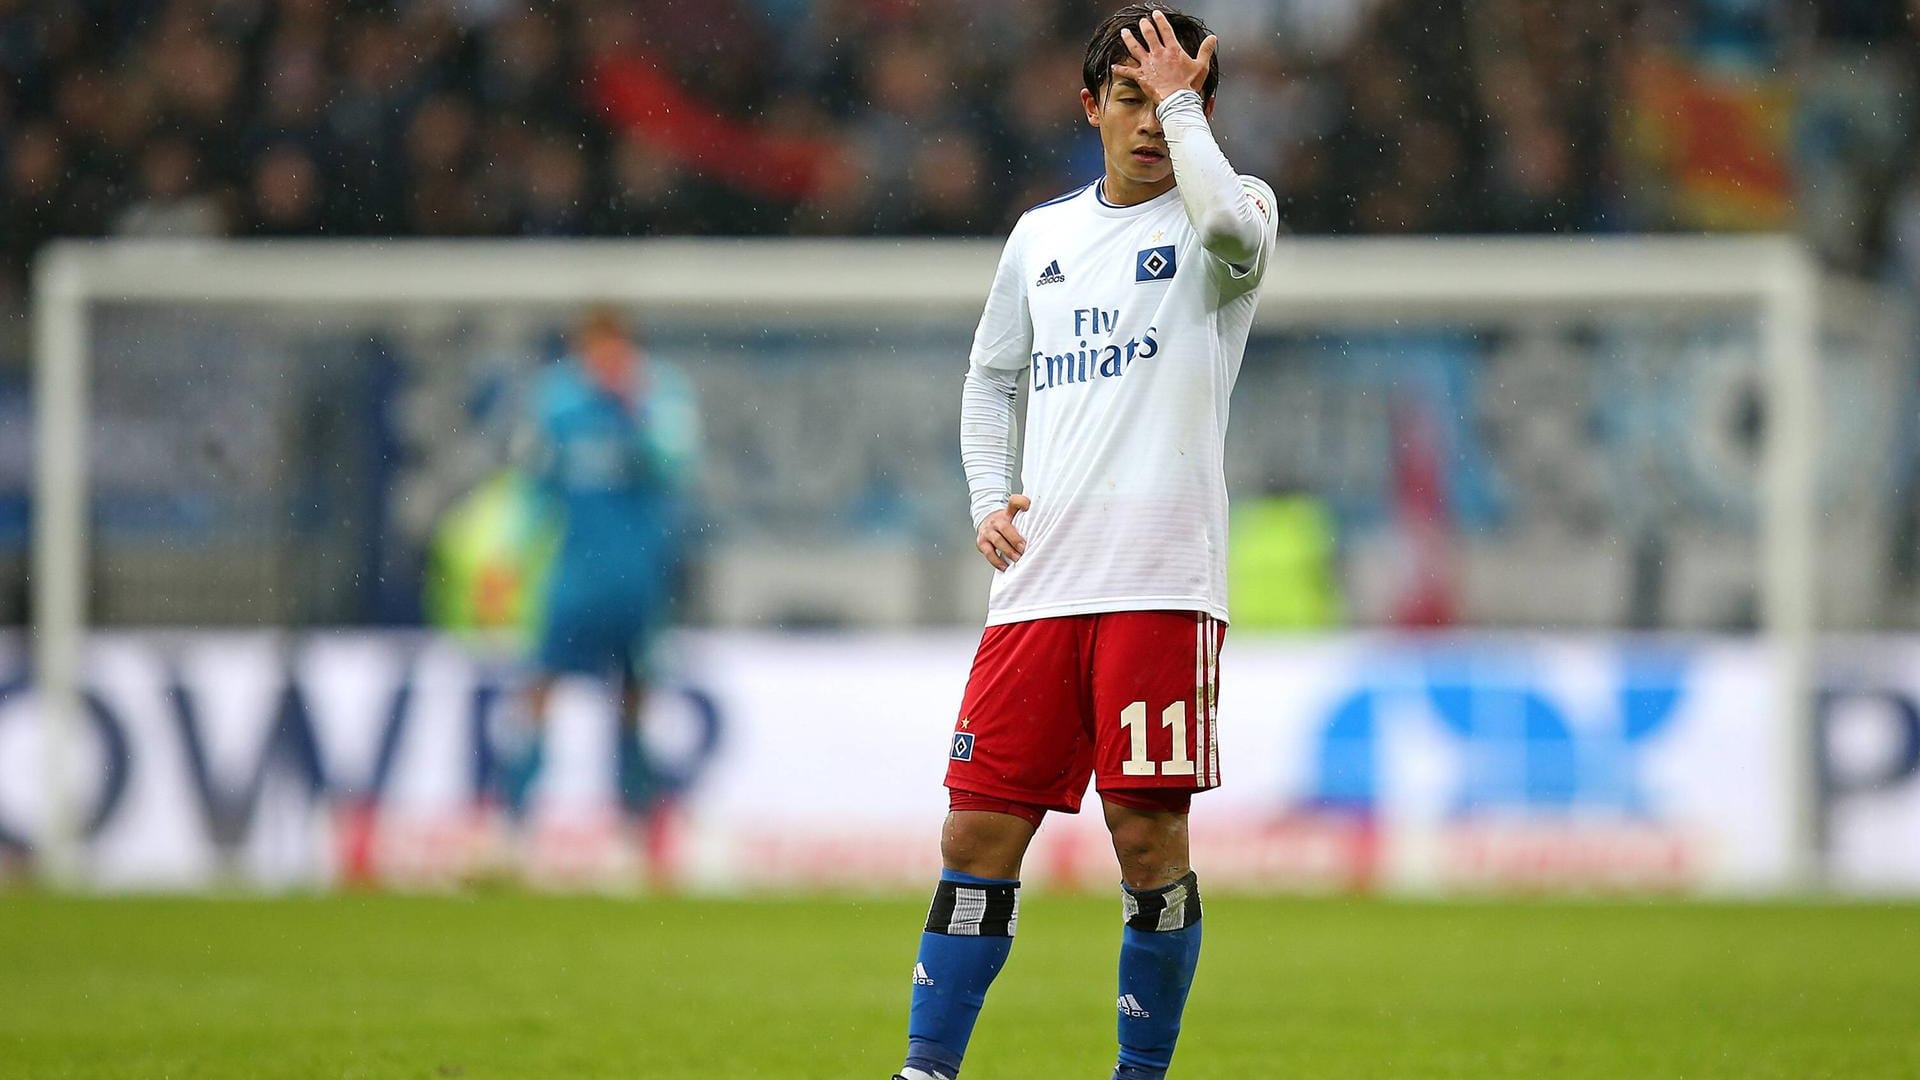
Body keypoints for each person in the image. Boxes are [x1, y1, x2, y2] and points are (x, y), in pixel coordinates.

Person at [891, 6, 1279, 1080]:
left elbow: (1240, 237)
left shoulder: (1231, 213)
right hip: (1039, 588)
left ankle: (1139, 1075)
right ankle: (925, 1073)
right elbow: (990, 375)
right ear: (1088, 106)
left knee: (1147, 846)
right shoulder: (1041, 238)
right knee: (974, 841)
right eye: (1129, 99)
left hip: (1158, 583)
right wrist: (986, 497)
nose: (1151, 123)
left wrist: (1186, 103)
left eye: (1171, 102)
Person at [492, 307, 700, 854]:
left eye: (615, 350)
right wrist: (511, 559)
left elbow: (676, 466)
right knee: (539, 691)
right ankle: (511, 827)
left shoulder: (660, 395)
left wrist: (634, 413)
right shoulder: (555, 402)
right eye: (595, 351)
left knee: (635, 700)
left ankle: (635, 833)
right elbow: (532, 487)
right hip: (575, 580)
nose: (605, 362)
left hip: (637, 583)